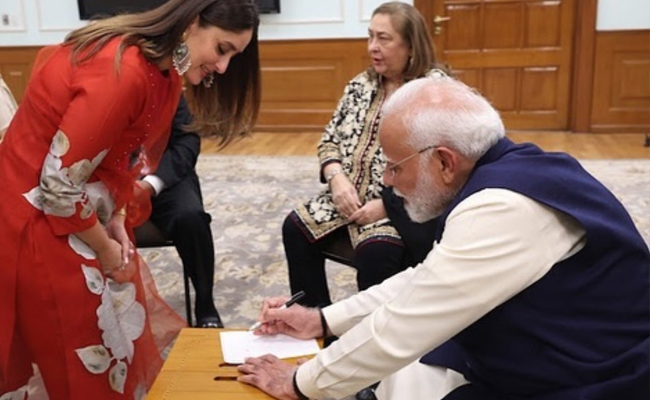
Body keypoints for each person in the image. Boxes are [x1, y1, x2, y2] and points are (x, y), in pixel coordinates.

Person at [237, 76, 650, 400]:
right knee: (405, 368)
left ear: (444, 162)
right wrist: (322, 319)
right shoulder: (507, 170)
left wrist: (300, 382)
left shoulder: (503, 208)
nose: (386, 181)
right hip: (550, 344)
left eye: (395, 166)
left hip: (593, 376)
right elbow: (428, 278)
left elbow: (405, 325)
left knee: (404, 358)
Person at [0, 0, 260, 398]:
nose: (223, 68)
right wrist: (104, 247)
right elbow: (57, 186)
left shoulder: (164, 70)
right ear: (192, 24)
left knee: (114, 343)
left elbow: (119, 159)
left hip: (78, 216)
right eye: (222, 49)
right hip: (38, 225)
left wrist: (117, 216)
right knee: (83, 359)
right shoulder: (123, 72)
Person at [283, 1, 443, 309]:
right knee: (295, 227)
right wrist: (336, 178)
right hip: (346, 197)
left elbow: (440, 169)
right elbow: (329, 139)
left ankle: (371, 340)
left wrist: (386, 205)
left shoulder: (433, 92)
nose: (373, 47)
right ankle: (315, 325)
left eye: (384, 39)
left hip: (398, 208)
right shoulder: (361, 84)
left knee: (377, 253)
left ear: (411, 45)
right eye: (370, 36)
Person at [137, 94, 223, 329]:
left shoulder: (165, 84)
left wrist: (151, 184)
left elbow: (187, 142)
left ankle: (205, 304)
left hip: (164, 178)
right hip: (110, 183)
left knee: (192, 217)